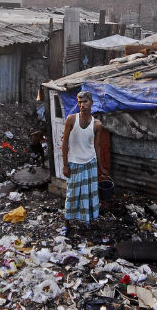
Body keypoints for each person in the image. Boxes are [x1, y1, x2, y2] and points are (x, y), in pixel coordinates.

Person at [61, 90, 104, 235]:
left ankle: (88, 220)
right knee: (72, 194)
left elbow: (96, 146)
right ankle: (67, 223)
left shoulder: (97, 124)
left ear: (91, 102)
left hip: (90, 162)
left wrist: (101, 166)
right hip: (75, 162)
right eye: (79, 102)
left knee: (90, 194)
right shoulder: (71, 119)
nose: (82, 104)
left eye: (85, 101)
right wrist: (65, 164)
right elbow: (65, 142)